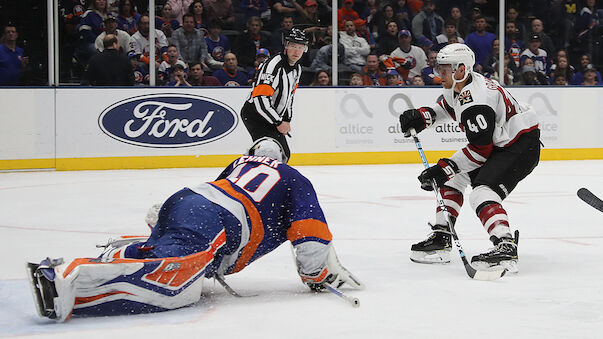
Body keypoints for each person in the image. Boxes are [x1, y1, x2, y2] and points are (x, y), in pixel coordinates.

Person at [26, 138, 364, 322]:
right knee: (172, 287)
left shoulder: (240, 163)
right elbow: (310, 232)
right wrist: (316, 275)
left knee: (170, 250)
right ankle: (68, 282)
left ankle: (123, 251)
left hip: (186, 198)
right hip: (216, 220)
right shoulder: (294, 178)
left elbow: (216, 190)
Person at [398, 44, 541, 272]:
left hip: (520, 145)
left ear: (461, 69)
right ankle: (442, 236)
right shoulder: (460, 85)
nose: (439, 74)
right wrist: (422, 117)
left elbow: (479, 151)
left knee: (482, 192)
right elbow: (447, 108)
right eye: (440, 68)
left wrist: (444, 168)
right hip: (503, 141)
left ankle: (505, 245)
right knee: (453, 179)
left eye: (444, 69)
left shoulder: (478, 102)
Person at [240, 28, 308, 160]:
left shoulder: (297, 69)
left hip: (271, 116)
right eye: (293, 46)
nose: (296, 51)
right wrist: (278, 122)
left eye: (300, 47)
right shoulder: (272, 66)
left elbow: (289, 98)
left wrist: (286, 120)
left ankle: (253, 168)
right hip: (256, 115)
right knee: (273, 153)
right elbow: (260, 99)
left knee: (282, 154)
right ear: (286, 46)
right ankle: (249, 170)